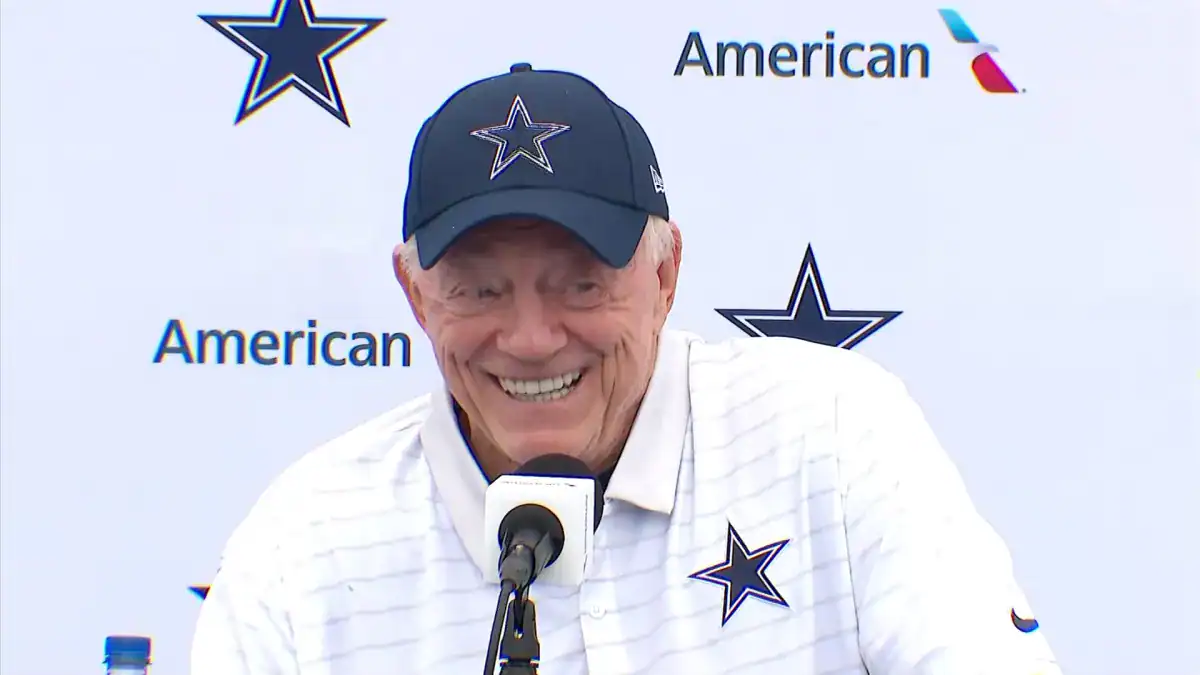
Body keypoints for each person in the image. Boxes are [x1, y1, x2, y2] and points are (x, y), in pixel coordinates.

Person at [191, 63, 1062, 675]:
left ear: (666, 275)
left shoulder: (829, 437)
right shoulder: (304, 544)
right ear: (416, 296)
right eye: (481, 289)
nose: (531, 337)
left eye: (580, 282)